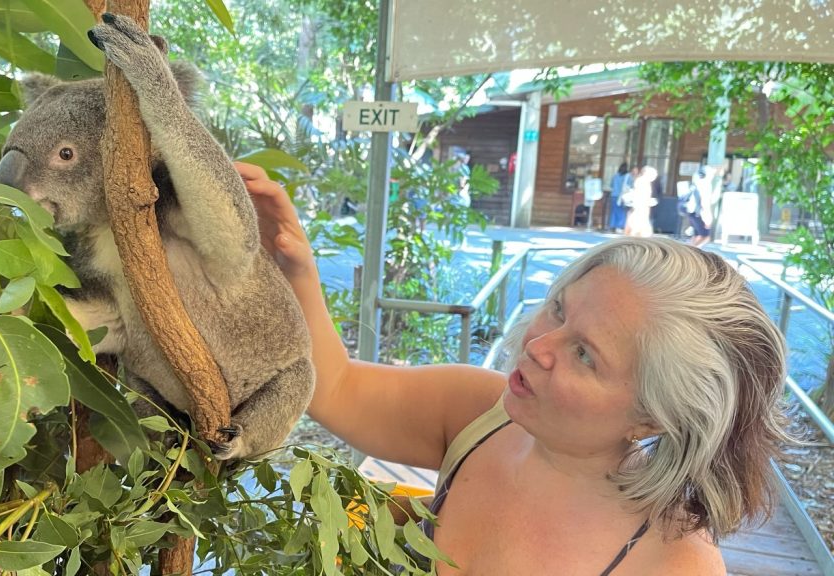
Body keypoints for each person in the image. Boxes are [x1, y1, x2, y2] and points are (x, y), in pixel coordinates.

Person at [238, 162, 788, 575]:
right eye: (558, 308)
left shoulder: (673, 562)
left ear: (651, 418)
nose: (539, 345)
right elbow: (337, 387)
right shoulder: (479, 411)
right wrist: (298, 270)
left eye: (584, 355)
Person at [623, 165, 658, 238]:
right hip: (640, 209)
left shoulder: (643, 181)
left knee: (638, 230)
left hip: (641, 209)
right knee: (640, 231)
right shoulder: (642, 182)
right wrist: (648, 201)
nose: (654, 177)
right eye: (653, 175)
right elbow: (640, 196)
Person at [687, 167, 715, 247]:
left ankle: (689, 251)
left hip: (691, 211)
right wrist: (707, 217)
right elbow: (704, 201)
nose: (712, 176)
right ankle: (693, 253)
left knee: (696, 235)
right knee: (705, 236)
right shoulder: (706, 184)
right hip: (699, 213)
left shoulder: (696, 183)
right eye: (711, 174)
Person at [608, 163, 632, 232]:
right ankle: (619, 226)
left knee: (614, 212)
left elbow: (611, 185)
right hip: (622, 197)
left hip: (614, 196)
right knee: (621, 212)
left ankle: (612, 226)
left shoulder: (615, 176)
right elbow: (630, 186)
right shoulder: (628, 176)